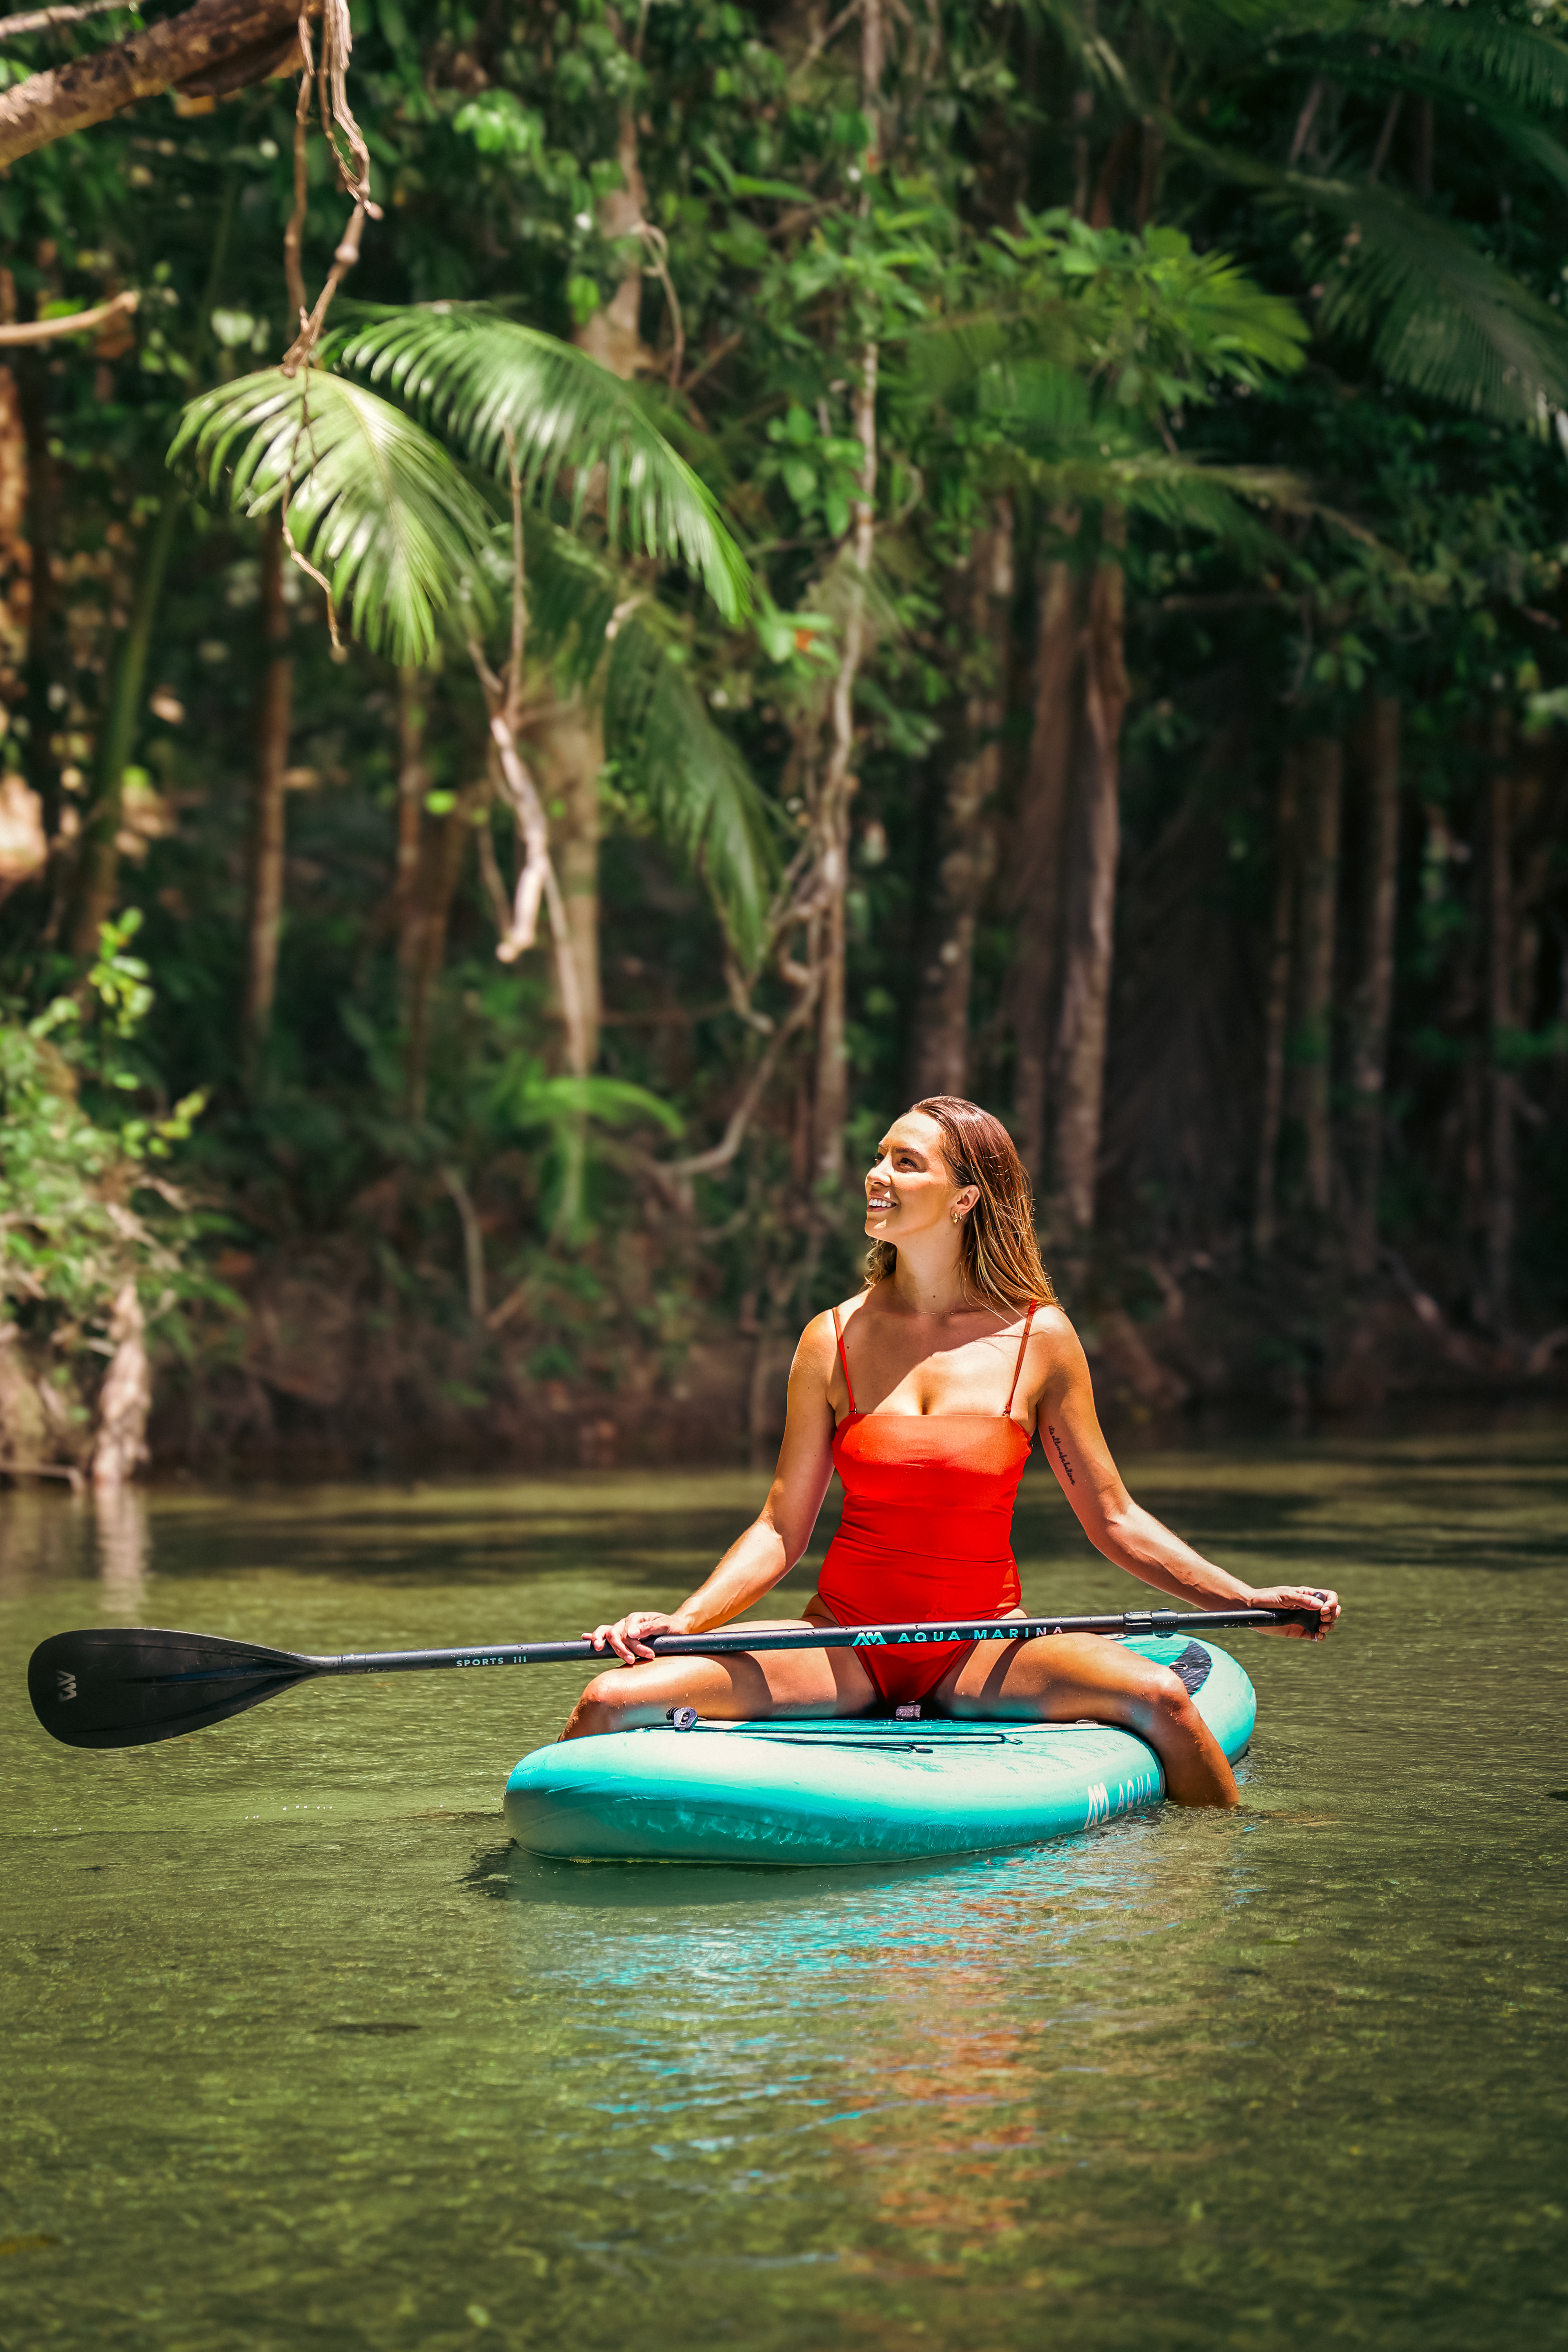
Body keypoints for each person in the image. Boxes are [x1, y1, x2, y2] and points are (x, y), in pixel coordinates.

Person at [561, 1094, 1340, 1804]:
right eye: (879, 1156)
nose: (877, 1175)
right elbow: (779, 1530)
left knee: (1164, 1702)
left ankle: (1223, 1872)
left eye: (906, 1162)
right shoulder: (830, 1338)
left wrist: (1242, 1602)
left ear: (965, 1198)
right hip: (843, 1640)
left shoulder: (1041, 1340)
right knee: (609, 1700)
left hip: (984, 1642)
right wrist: (685, 1622)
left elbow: (1114, 1519)